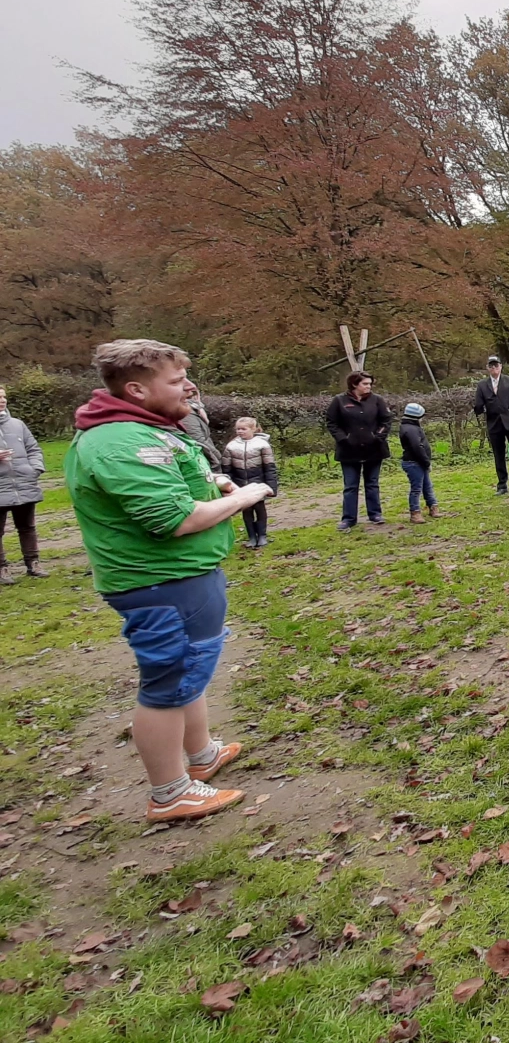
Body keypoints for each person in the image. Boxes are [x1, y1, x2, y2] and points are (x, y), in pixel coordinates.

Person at [64, 339, 272, 822]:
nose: (189, 387)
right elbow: (173, 519)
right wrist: (246, 496)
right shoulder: (121, 442)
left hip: (183, 578)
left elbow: (183, 481)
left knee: (190, 671)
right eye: (176, 381)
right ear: (136, 389)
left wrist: (217, 483)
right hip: (159, 583)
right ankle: (169, 791)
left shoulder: (147, 429)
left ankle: (201, 756)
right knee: (169, 681)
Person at [326, 371, 391, 530]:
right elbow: (332, 423)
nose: (368, 386)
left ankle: (375, 514)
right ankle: (348, 518)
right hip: (349, 450)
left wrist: (378, 437)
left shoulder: (377, 400)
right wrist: (344, 438)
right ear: (355, 384)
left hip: (374, 449)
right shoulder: (339, 401)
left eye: (370, 384)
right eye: (365, 384)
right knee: (350, 486)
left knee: (372, 484)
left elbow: (386, 420)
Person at [0, 385, 46, 582]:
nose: (2, 400)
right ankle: (2, 569)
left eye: (3, 396)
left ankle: (33, 563)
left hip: (23, 483)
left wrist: (34, 470)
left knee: (27, 526)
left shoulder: (18, 425)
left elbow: (34, 449)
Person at [222, 417, 279, 547]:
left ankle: (262, 535)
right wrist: (229, 486)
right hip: (240, 484)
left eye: (243, 429)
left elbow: (269, 467)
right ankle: (252, 537)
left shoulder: (262, 445)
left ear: (253, 429)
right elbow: (226, 469)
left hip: (258, 483)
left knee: (260, 509)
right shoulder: (231, 446)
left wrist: (271, 487)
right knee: (246, 511)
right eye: (238, 429)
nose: (240, 431)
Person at [472, 356, 509, 495]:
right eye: (491, 366)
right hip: (493, 423)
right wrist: (482, 410)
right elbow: (478, 403)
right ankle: (502, 485)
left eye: (496, 365)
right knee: (498, 455)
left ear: (501, 366)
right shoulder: (482, 384)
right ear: (488, 368)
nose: (494, 368)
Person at [399, 402, 439, 522]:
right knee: (416, 489)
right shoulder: (411, 429)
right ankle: (415, 512)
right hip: (414, 463)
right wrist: (426, 462)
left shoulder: (411, 427)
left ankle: (433, 507)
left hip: (418, 462)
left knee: (427, 486)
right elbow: (417, 448)